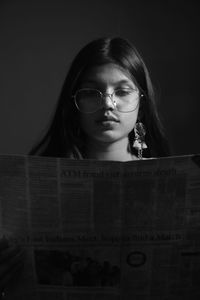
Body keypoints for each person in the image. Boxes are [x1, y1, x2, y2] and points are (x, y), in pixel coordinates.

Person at [0, 36, 170, 299]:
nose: (108, 104)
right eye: (92, 92)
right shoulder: (33, 182)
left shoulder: (170, 178)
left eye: (123, 92)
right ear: (74, 104)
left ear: (141, 102)